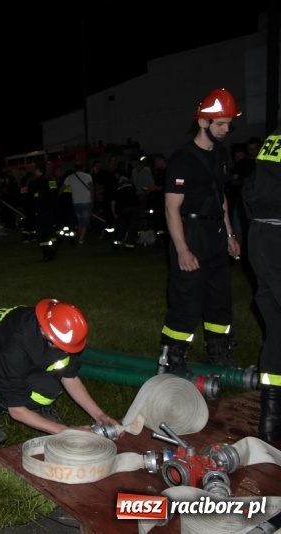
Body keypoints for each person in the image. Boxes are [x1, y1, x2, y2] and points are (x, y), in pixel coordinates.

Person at [158, 88, 242, 373]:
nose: (226, 129)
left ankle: (220, 353)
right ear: (203, 122)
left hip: (216, 233)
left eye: (229, 123)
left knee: (220, 297)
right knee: (187, 298)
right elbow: (171, 208)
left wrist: (230, 234)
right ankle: (174, 358)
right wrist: (182, 249)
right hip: (190, 231)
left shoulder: (221, 154)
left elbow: (221, 195)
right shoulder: (182, 159)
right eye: (220, 123)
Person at [0, 299, 119, 442]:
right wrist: (66, 431)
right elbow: (16, 410)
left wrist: (100, 415)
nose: (67, 352)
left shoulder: (54, 329)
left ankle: (37, 408)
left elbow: (70, 377)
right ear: (45, 333)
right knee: (24, 393)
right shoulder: (15, 346)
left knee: (47, 389)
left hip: (12, 354)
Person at [241, 129, 281, 442]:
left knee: (277, 329)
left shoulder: (275, 138)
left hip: (261, 236)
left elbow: (250, 184)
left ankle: (270, 422)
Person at [29, 160, 60, 261]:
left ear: (37, 170)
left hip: (43, 212)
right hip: (52, 211)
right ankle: (52, 251)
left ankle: (47, 253)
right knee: (51, 232)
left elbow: (36, 197)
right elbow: (55, 195)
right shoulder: (51, 180)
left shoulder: (38, 182)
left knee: (43, 233)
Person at [62, 162, 94, 245]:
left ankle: (81, 237)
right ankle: (81, 239)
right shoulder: (87, 176)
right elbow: (91, 188)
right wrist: (92, 198)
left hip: (76, 201)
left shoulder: (69, 177)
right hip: (86, 200)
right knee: (85, 221)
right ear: (83, 168)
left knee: (80, 221)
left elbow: (62, 188)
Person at [110, 174, 140, 251]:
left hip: (123, 209)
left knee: (121, 227)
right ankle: (129, 246)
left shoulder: (116, 188)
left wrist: (114, 213)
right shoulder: (132, 185)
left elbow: (113, 201)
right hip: (134, 208)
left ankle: (116, 245)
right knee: (132, 228)